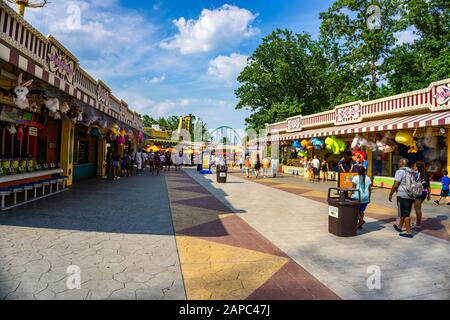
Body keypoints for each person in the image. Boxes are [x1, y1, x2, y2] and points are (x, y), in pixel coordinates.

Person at [389, 158, 415, 238]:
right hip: (411, 194)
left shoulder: (400, 171)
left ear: (402, 163)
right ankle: (400, 227)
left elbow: (396, 184)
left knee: (405, 214)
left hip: (402, 194)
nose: (398, 163)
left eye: (399, 162)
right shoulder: (412, 171)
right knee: (405, 212)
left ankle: (408, 232)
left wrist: (390, 194)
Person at [412, 162, 430, 228]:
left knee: (417, 209)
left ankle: (418, 224)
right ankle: (418, 222)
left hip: (418, 192)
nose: (414, 167)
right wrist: (429, 195)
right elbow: (428, 185)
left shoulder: (417, 174)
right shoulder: (426, 174)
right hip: (424, 192)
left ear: (417, 167)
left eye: (414, 166)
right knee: (417, 207)